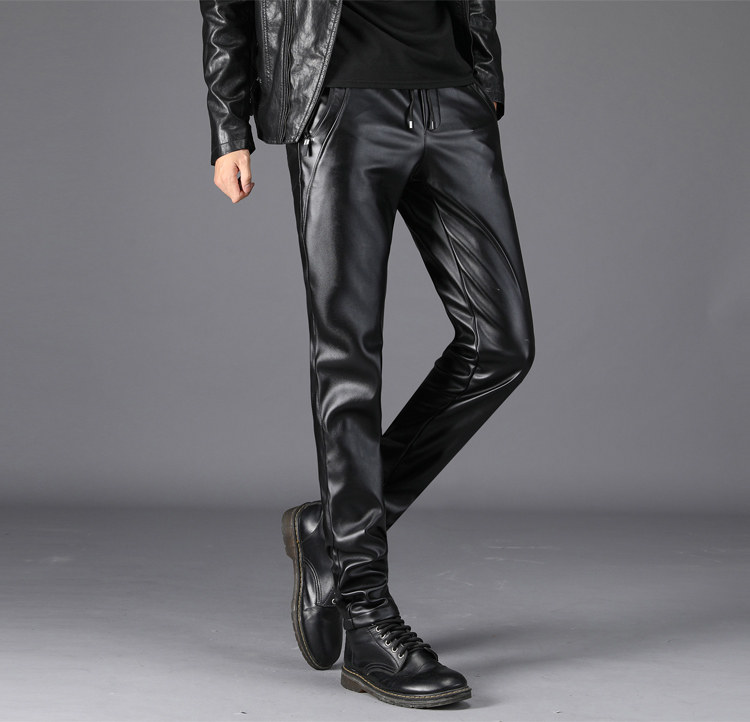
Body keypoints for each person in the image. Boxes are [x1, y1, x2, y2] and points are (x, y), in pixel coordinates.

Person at [199, 0, 535, 709]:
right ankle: (364, 615)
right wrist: (230, 125)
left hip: (451, 97)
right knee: (347, 358)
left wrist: (483, 79)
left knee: (501, 345)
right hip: (337, 98)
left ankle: (333, 530)